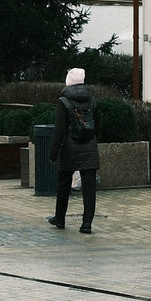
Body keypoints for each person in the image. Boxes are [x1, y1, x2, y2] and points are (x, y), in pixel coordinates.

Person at [46, 67, 100, 235]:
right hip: (89, 147)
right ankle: (86, 224)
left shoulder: (63, 102)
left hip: (69, 149)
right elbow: (98, 126)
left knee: (63, 184)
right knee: (89, 188)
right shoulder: (92, 101)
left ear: (68, 82)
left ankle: (60, 218)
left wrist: (53, 154)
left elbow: (59, 131)